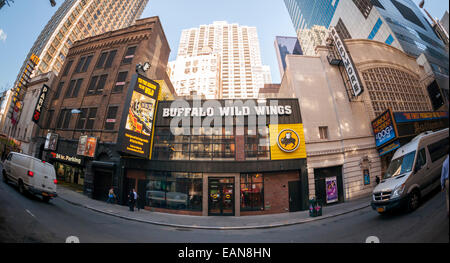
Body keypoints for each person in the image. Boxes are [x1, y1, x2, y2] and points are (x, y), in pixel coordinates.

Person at [441, 151, 449, 217]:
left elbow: (442, 176)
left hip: (447, 181)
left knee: (448, 197)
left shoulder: (445, 163)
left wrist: (442, 185)